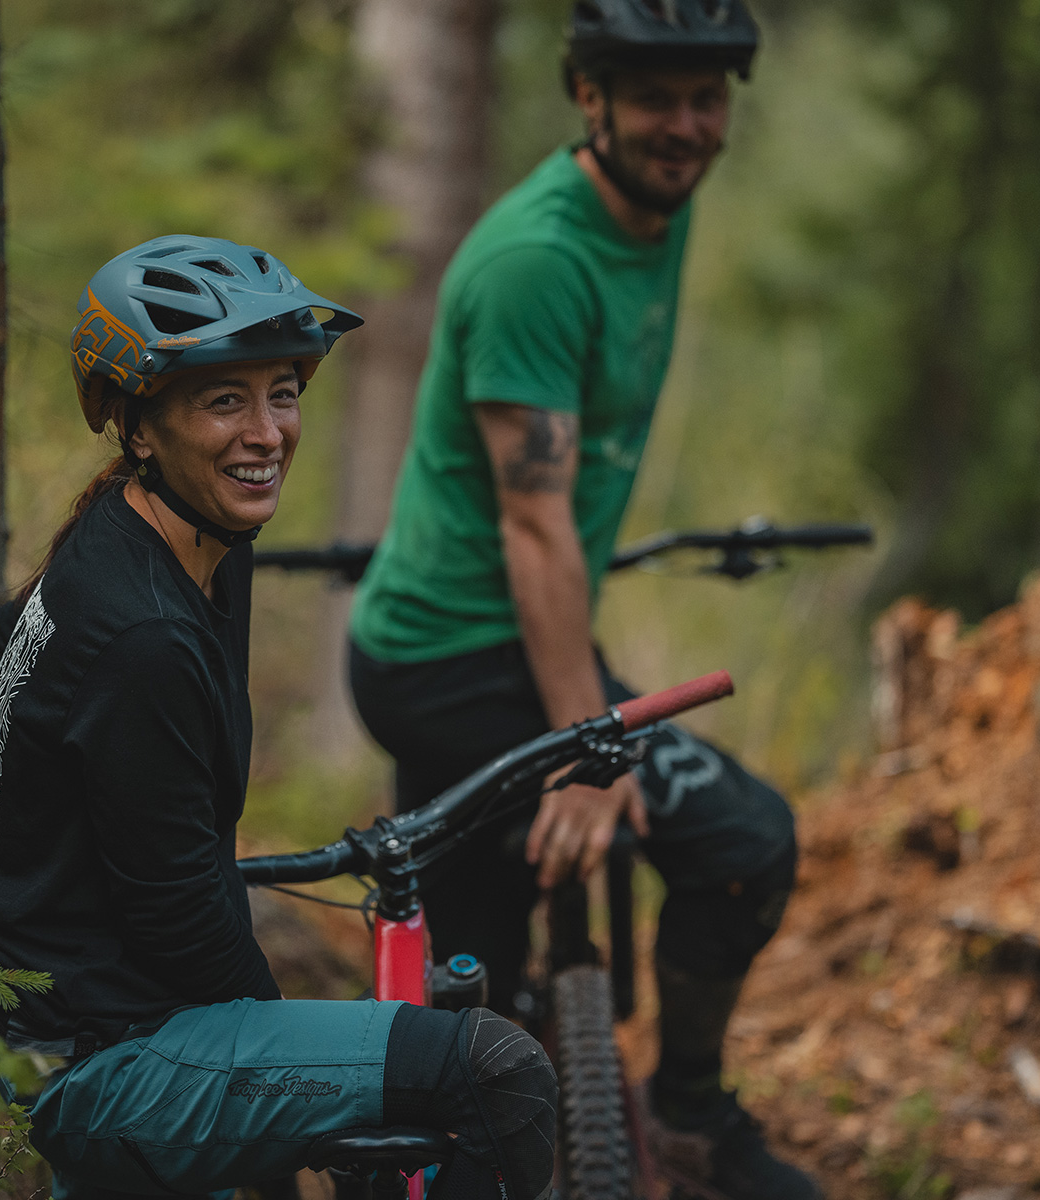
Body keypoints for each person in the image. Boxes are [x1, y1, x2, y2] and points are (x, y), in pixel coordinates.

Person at [0, 235, 556, 1200]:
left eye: (281, 392)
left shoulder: (180, 542)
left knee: (395, 1064)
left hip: (96, 1022)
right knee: (499, 1074)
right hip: (108, 1061)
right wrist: (289, 1082)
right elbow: (179, 910)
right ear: (140, 424)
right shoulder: (141, 635)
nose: (268, 431)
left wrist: (29, 855)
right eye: (223, 399)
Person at [347, 4, 823, 1198]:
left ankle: (690, 1119)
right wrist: (588, 748)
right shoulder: (537, 264)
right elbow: (535, 521)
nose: (686, 126)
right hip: (447, 662)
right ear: (589, 97)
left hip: (522, 646)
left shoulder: (654, 208)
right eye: (655, 96)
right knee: (479, 999)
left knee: (741, 851)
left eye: (707, 97)